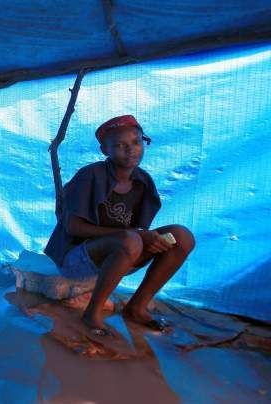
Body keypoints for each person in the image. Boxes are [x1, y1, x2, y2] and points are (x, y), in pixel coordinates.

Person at [44, 115, 195, 335]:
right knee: (131, 239)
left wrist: (145, 238)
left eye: (136, 142)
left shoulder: (142, 181)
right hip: (75, 259)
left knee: (182, 237)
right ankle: (92, 313)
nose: (131, 150)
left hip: (116, 255)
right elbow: (73, 228)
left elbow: (136, 230)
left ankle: (137, 307)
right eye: (120, 145)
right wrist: (136, 236)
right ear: (105, 150)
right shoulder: (90, 176)